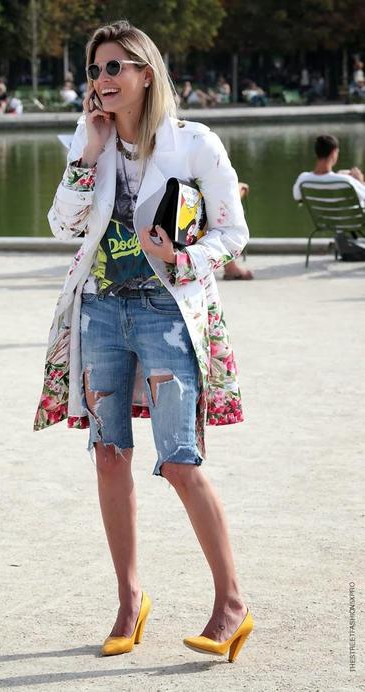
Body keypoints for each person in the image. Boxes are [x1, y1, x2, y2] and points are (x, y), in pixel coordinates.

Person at [34, 20, 254, 661]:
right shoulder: (93, 144)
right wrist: (86, 153)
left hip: (165, 311)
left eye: (113, 69)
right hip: (101, 310)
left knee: (181, 462)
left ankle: (232, 604)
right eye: (95, 70)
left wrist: (182, 260)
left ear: (144, 73)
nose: (100, 82)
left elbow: (233, 232)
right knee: (108, 455)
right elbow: (63, 226)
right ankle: (130, 603)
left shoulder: (194, 144)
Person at [293, 134, 365, 206]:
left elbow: (297, 197)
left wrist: (338, 175)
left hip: (320, 217)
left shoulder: (303, 179)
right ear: (333, 153)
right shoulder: (347, 181)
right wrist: (360, 181)